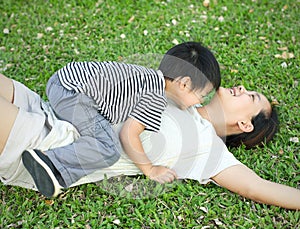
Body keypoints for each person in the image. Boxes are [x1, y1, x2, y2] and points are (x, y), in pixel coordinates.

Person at [0, 73, 299, 209]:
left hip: (50, 146)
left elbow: (259, 187)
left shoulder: (210, 152)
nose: (243, 88)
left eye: (252, 97)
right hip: (53, 105)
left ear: (245, 124)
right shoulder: (179, 90)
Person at [21, 42, 221, 198]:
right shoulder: (156, 96)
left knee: (102, 135)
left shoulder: (148, 77)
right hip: (72, 93)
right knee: (108, 147)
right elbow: (128, 134)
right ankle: (50, 162)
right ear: (184, 84)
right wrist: (150, 169)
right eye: (202, 95)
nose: (200, 102)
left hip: (64, 80)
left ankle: (55, 170)